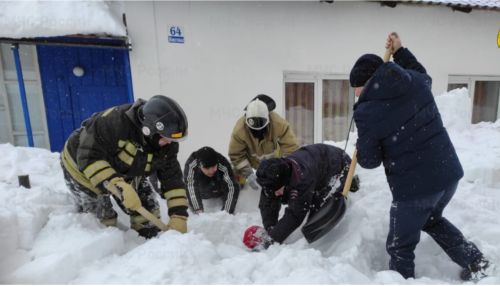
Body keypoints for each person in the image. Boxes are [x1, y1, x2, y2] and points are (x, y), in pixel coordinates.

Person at [349, 32, 489, 281]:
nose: (356, 94)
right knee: (432, 219)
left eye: (356, 88)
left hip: (414, 190)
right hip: (448, 174)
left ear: (366, 82)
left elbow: (370, 161)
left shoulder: (367, 111)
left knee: (399, 246)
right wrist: (400, 52)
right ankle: (477, 262)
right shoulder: (415, 81)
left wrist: (364, 142)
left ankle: (401, 281)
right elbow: (419, 70)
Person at [60, 95, 190, 239]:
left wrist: (179, 215)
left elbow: (172, 178)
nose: (170, 143)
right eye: (167, 139)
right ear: (149, 130)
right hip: (83, 165)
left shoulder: (166, 143)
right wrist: (116, 185)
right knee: (101, 221)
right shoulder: (113, 123)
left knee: (147, 213)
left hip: (127, 168)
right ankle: (107, 249)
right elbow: (88, 157)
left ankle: (146, 243)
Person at [242, 143, 360, 250]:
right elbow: (268, 200)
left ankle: (350, 182)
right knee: (279, 195)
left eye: (277, 190)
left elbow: (295, 214)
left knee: (316, 208)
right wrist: (270, 228)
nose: (275, 194)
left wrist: (272, 240)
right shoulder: (272, 174)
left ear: (285, 182)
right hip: (315, 164)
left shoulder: (301, 179)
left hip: (338, 164)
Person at [228, 94, 299, 191]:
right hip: (251, 160)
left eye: (261, 129)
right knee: (235, 171)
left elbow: (291, 148)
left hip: (274, 159)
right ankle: (239, 194)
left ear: (268, 120)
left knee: (285, 177)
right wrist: (248, 174)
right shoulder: (239, 130)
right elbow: (236, 155)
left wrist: (285, 170)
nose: (257, 133)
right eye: (253, 129)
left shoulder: (278, 123)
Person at [184, 146, 240, 214]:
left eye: (213, 167)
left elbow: (231, 187)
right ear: (199, 166)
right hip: (202, 190)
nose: (211, 171)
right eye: (207, 168)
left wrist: (226, 213)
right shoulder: (191, 165)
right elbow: (190, 187)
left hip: (219, 186)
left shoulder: (222, 163)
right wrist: (198, 210)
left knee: (236, 178)